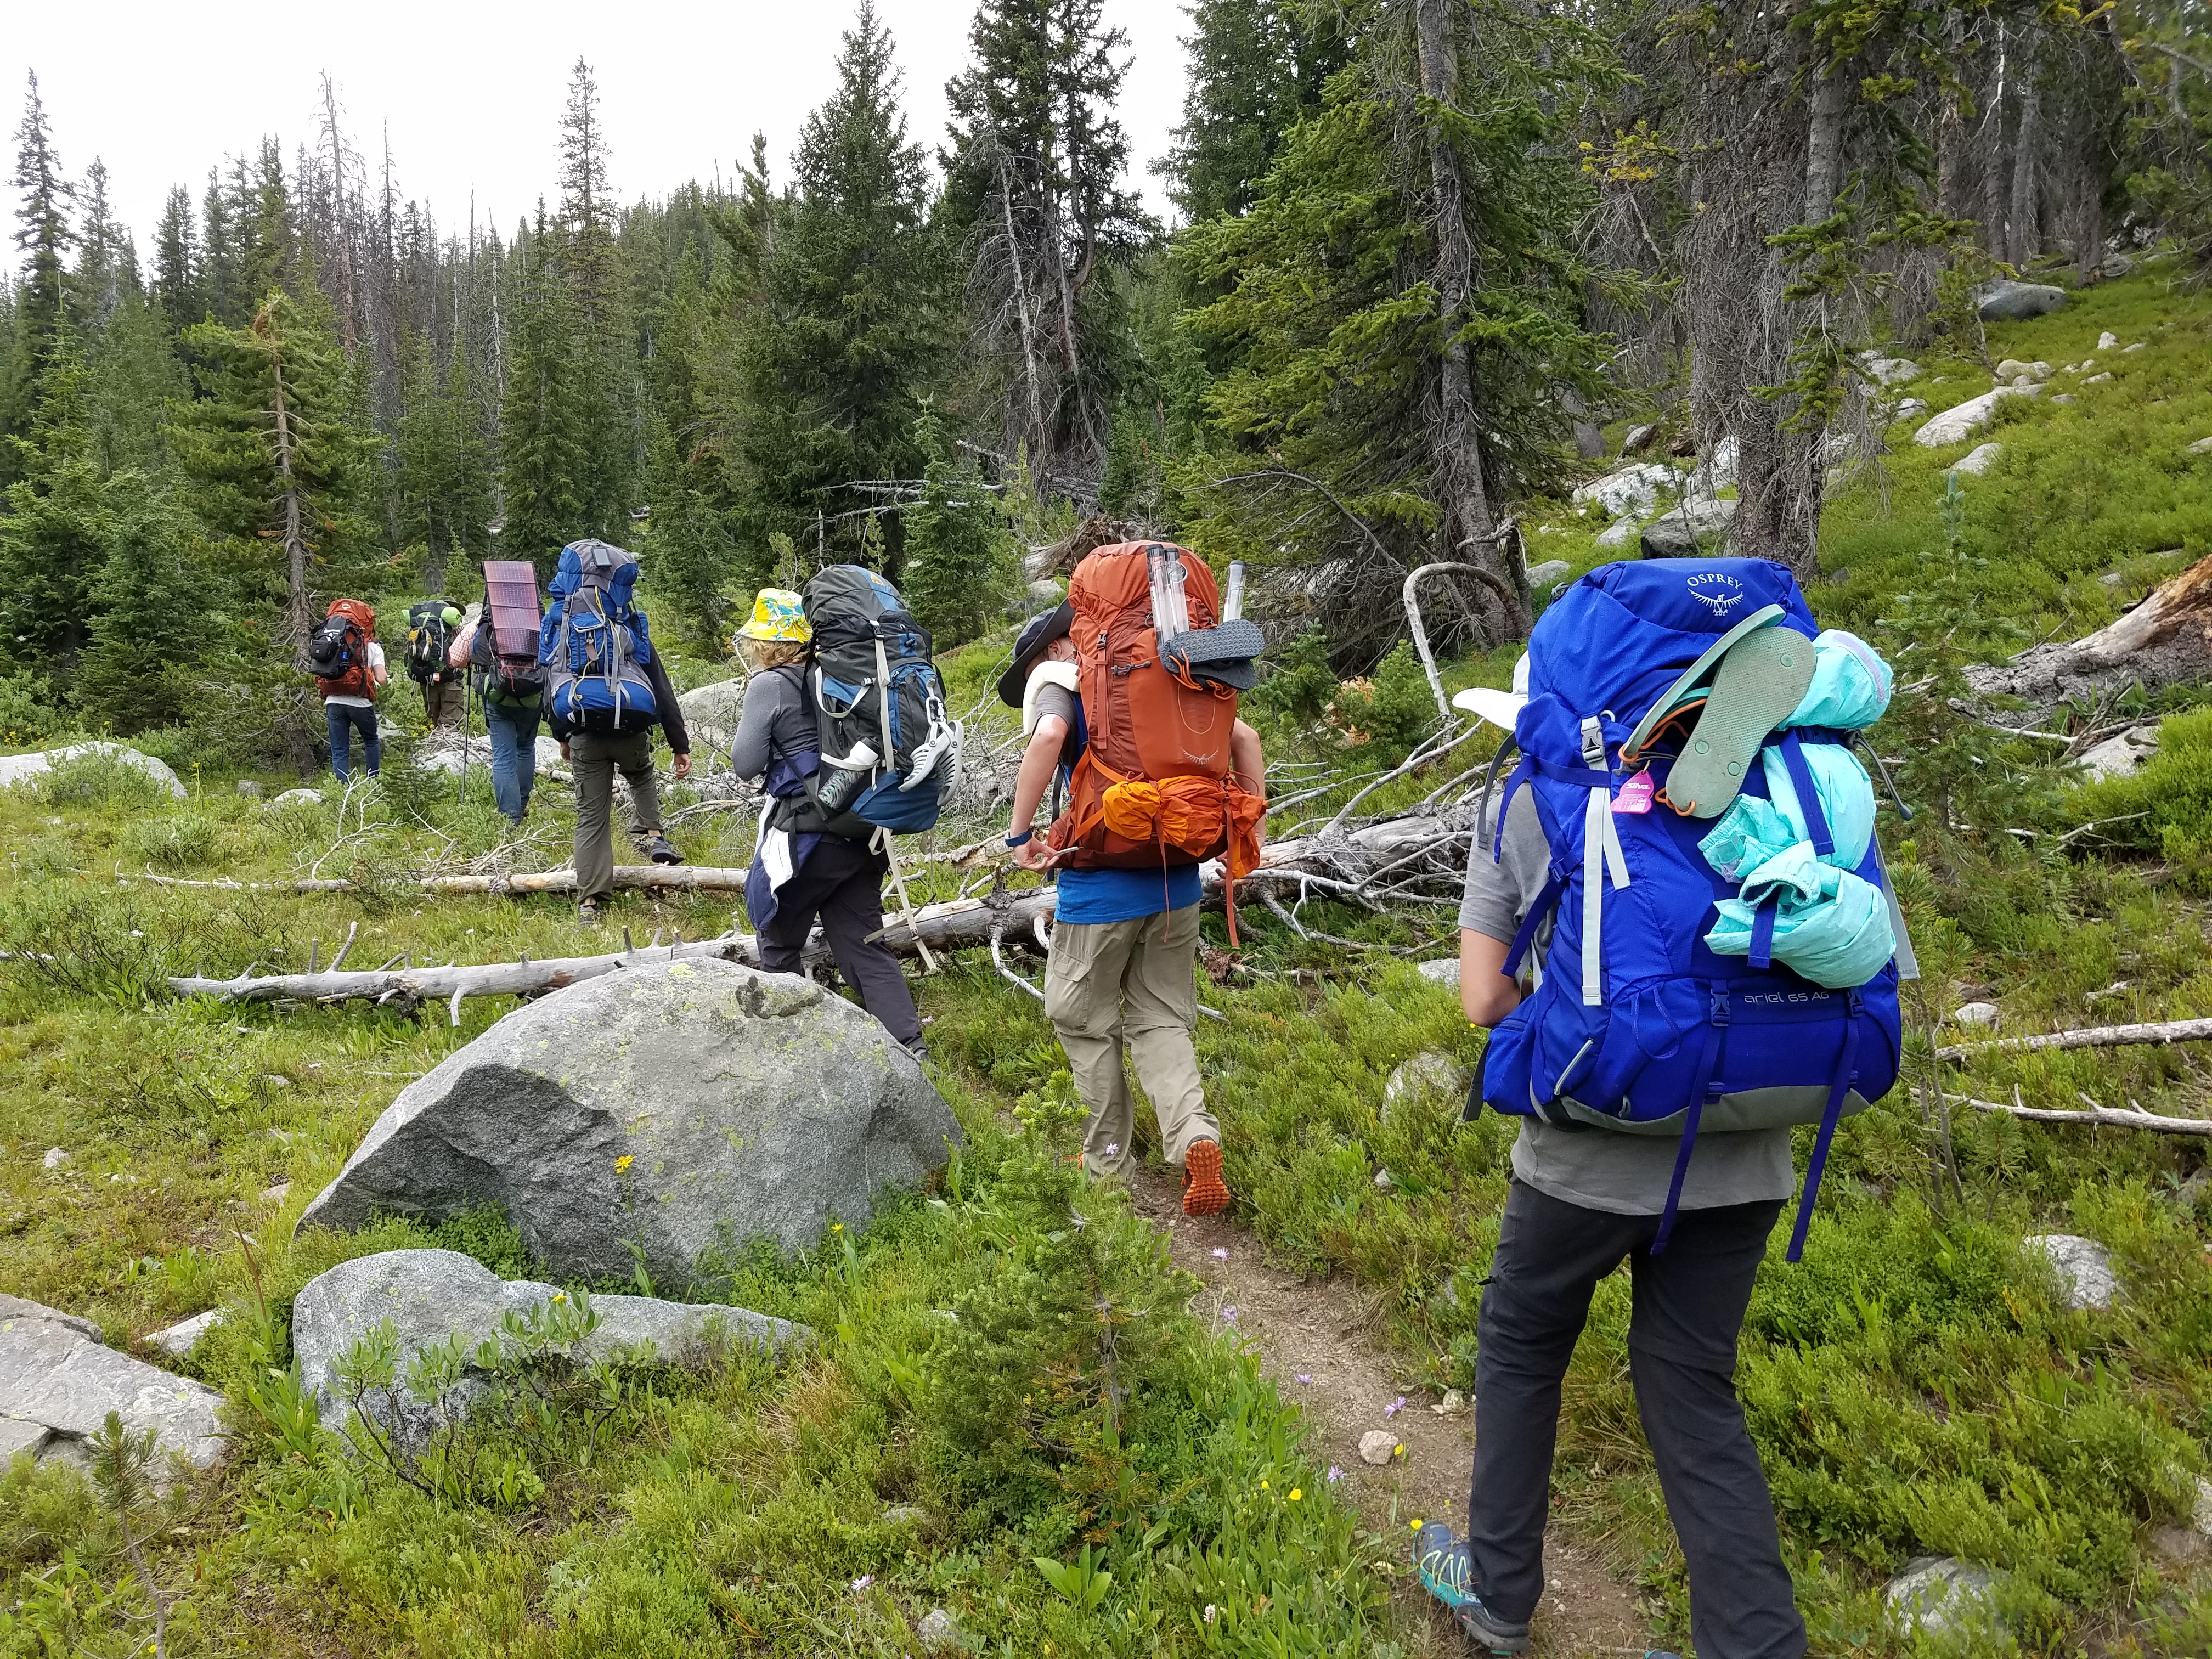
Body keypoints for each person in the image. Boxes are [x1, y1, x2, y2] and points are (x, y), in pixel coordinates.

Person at [1413, 674, 1804, 1659]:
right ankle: (1754, 1644)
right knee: (1692, 1385)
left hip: (1586, 1158)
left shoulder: (1532, 791)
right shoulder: (1773, 773)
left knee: (1521, 1344)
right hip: (1745, 1144)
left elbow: (1481, 997)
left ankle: (1498, 1597)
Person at [1001, 603, 1265, 1219]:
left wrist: (1019, 838)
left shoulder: (1068, 684)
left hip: (1099, 891)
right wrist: (1250, 830)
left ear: (1055, 649)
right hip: (1175, 881)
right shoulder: (1174, 675)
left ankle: (1108, 1164)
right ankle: (1195, 1134)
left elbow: (1047, 738)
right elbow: (1245, 739)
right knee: (1164, 1021)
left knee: (1084, 1021)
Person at [729, 588, 926, 1056]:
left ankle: (796, 1053)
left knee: (777, 942)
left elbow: (744, 763)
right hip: (861, 830)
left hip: (807, 834)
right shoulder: (841, 676)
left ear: (766, 643)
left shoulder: (769, 684)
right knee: (863, 945)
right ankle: (911, 1048)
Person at [447, 602, 542, 825]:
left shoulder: (483, 623)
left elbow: (454, 659)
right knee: (526, 747)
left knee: (504, 757)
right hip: (533, 696)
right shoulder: (539, 620)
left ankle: (510, 818)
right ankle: (521, 804)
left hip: (497, 697)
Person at [318, 599, 388, 783]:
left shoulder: (330, 642)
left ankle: (342, 790)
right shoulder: (372, 647)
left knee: (340, 749)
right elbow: (381, 678)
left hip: (333, 700)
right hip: (360, 701)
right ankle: (372, 783)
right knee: (371, 741)